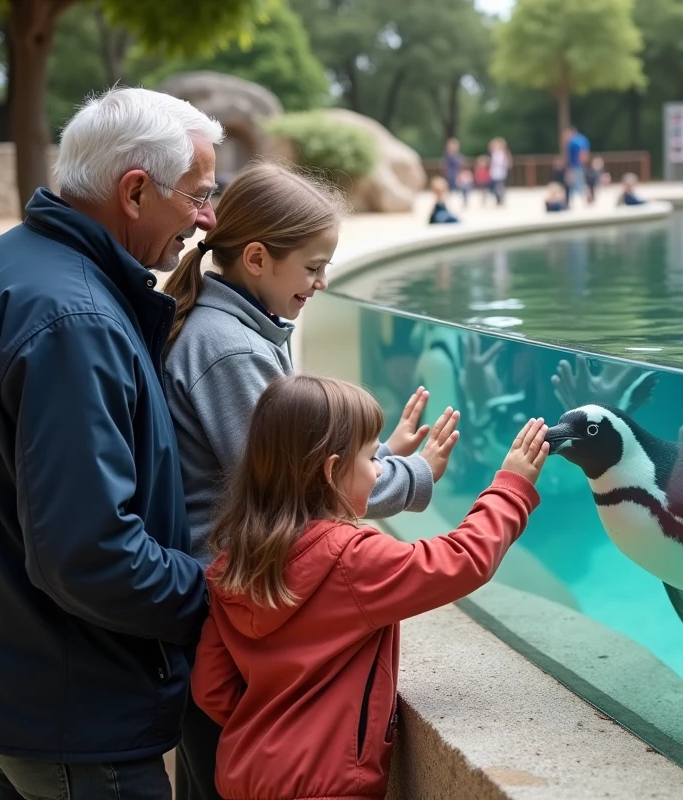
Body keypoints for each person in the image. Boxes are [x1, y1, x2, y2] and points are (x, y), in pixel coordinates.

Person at [0, 86, 223, 799]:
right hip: (75, 716)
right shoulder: (74, 319)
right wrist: (218, 594)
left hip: (4, 685)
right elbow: (90, 554)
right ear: (136, 191)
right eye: (199, 195)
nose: (207, 220)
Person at [162, 159, 457, 799]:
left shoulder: (242, 327)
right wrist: (410, 476)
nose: (322, 282)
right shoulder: (230, 348)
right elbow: (297, 484)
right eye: (314, 267)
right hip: (236, 596)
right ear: (259, 258)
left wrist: (372, 459)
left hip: (238, 593)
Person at [190, 375, 548, 800]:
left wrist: (275, 728)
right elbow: (463, 560)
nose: (381, 468)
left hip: (243, 776)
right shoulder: (350, 560)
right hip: (329, 786)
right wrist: (510, 488)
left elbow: (211, 687)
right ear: (330, 471)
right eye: (371, 458)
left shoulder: (230, 565)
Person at [564, 125, 591, 205]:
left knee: (576, 183)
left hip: (576, 165)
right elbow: (585, 153)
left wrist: (569, 168)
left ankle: (586, 198)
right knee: (578, 183)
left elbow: (579, 154)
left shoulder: (573, 141)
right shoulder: (583, 139)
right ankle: (574, 201)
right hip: (581, 165)